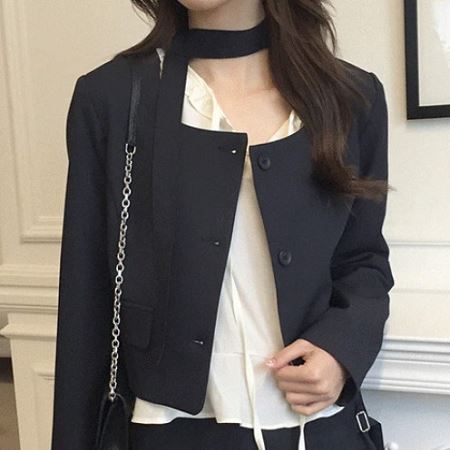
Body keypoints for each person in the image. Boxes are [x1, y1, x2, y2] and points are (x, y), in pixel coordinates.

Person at [51, 1, 395, 449]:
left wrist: (340, 351)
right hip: (168, 431)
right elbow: (87, 297)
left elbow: (363, 260)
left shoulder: (350, 97)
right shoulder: (112, 98)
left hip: (320, 429)